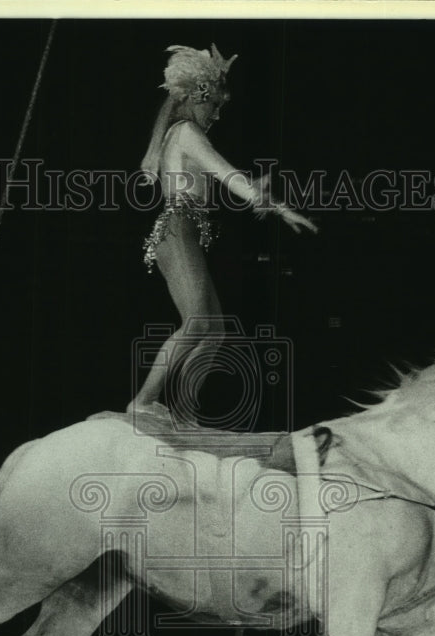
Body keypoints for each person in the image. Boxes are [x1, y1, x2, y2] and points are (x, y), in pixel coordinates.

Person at [128, 43, 318, 422]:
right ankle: (144, 401)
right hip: (177, 229)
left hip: (188, 232)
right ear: (198, 97)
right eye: (214, 105)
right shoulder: (185, 133)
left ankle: (184, 411)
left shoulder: (182, 134)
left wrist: (257, 192)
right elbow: (225, 173)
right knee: (198, 321)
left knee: (214, 331)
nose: (216, 114)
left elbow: (225, 181)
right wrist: (276, 206)